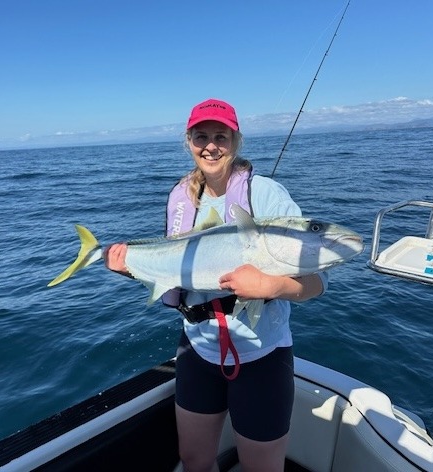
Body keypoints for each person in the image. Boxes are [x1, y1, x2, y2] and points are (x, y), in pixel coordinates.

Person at [104, 98, 327, 472]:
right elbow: (172, 266)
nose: (211, 146)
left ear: (236, 141)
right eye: (201, 136)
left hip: (261, 356)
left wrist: (272, 286)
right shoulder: (180, 198)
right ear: (188, 141)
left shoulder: (267, 195)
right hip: (197, 350)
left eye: (221, 136)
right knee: (193, 460)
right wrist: (131, 268)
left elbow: (318, 281)